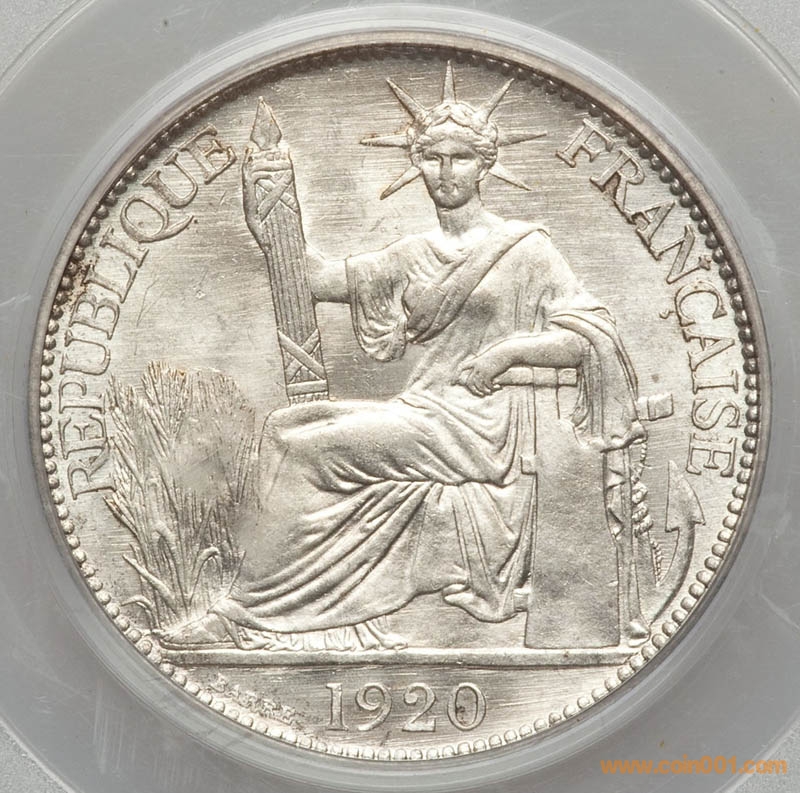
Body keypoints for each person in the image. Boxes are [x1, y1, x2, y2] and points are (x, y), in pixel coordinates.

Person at [166, 65, 647, 651]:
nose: (446, 173)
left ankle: (243, 615)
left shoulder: (526, 250)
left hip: (484, 426)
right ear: (416, 163)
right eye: (433, 158)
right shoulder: (411, 253)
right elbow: (314, 278)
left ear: (486, 164)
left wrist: (506, 353)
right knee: (286, 425)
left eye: (461, 158)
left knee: (304, 449)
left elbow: (588, 336)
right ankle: (300, 609)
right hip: (426, 410)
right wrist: (270, 219)